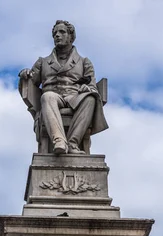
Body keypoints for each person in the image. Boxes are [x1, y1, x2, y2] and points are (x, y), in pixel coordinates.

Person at [19, 20, 108, 155]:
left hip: (75, 97)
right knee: (47, 96)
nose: (57, 35)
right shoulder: (42, 62)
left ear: (71, 36)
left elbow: (92, 85)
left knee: (91, 98)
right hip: (53, 96)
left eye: (62, 32)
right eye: (55, 33)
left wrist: (87, 88)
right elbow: (30, 83)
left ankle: (73, 143)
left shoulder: (84, 62)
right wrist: (25, 75)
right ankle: (59, 141)